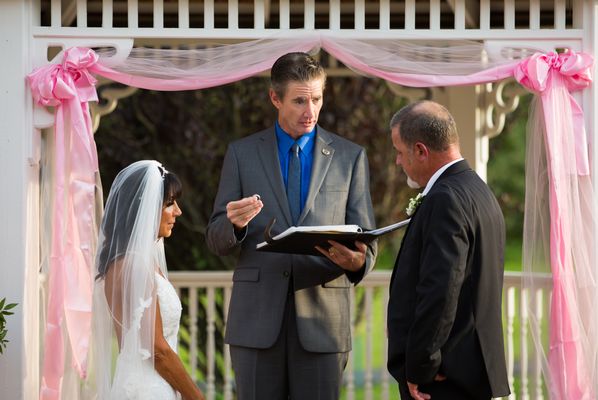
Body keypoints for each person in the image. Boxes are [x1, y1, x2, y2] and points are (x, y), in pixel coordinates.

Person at [206, 52, 377, 400]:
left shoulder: (350, 157)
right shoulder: (241, 154)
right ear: (275, 98)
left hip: (323, 323)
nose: (310, 110)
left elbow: (366, 240)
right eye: (299, 100)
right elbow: (215, 237)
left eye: (316, 99)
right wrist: (235, 225)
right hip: (255, 323)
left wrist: (359, 262)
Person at [386, 101, 510, 400]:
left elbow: (441, 289)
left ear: (420, 150)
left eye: (400, 152)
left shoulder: (446, 199)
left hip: (445, 378)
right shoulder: (477, 189)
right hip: (469, 369)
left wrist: (420, 367)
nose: (398, 162)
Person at [92, 160, 205, 400]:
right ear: (146, 208)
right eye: (169, 204)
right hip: (148, 390)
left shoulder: (121, 262)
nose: (178, 211)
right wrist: (196, 396)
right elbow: (156, 349)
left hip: (137, 384)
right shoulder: (136, 265)